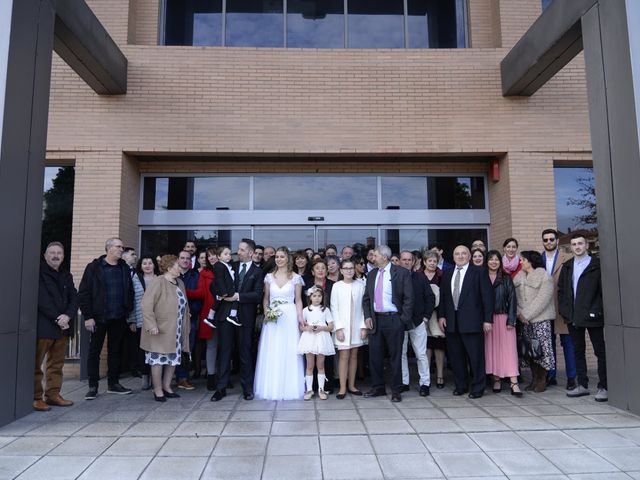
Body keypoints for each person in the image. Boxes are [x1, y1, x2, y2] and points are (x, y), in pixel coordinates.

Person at [79, 237, 134, 400]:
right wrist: (88, 316)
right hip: (98, 317)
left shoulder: (124, 267)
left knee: (115, 351)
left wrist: (128, 310)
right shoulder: (94, 267)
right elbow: (84, 293)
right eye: (118, 246)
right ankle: (93, 386)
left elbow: (129, 290)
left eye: (122, 247)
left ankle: (113, 383)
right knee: (94, 351)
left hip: (118, 316)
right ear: (108, 248)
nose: (121, 249)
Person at [438, 245, 494, 399]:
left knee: (475, 357)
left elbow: (487, 297)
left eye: (464, 253)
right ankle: (461, 385)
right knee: (456, 357)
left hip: (473, 322)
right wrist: (442, 316)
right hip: (452, 322)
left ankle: (478, 387)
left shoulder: (479, 272)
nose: (460, 256)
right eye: (457, 254)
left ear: (469, 256)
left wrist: (487, 320)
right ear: (453, 256)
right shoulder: (447, 273)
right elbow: (443, 297)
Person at [211, 239, 264, 401]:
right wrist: (221, 293)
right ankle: (221, 388)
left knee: (245, 352)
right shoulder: (228, 265)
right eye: (238, 249)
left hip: (245, 317)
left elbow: (257, 295)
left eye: (241, 250)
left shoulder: (258, 271)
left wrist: (238, 296)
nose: (238, 252)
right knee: (225, 352)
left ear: (250, 252)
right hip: (225, 315)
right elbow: (214, 286)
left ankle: (247, 388)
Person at [558, 233, 607, 401]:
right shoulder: (568, 266)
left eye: (580, 244)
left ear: (587, 245)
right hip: (574, 316)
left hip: (593, 316)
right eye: (574, 244)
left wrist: (598, 309)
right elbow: (562, 291)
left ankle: (604, 386)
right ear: (571, 247)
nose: (577, 247)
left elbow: (603, 292)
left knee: (600, 351)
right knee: (578, 351)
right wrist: (566, 311)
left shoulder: (597, 265)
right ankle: (582, 385)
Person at [362, 245, 414, 402]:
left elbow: (409, 299)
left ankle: (396, 390)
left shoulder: (402, 273)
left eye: (375, 255)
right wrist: (368, 316)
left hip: (394, 319)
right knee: (375, 355)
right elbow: (366, 299)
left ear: (384, 257)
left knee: (395, 356)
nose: (372, 258)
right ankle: (378, 388)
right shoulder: (371, 274)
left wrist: (402, 320)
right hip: (376, 320)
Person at [254, 246, 305, 400]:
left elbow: (298, 300)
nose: (279, 259)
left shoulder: (295, 277)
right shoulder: (269, 277)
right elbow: (266, 298)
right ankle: (272, 387)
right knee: (273, 350)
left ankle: (289, 387)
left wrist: (300, 317)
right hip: (273, 318)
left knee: (289, 350)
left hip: (289, 316)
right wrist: (267, 311)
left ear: (288, 259)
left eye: (282, 257)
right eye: (277, 257)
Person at [34, 242, 78, 411]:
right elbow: (42, 299)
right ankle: (36, 397)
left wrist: (68, 315)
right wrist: (57, 318)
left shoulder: (66, 275)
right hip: (45, 326)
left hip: (63, 327)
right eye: (52, 252)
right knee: (36, 365)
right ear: (45, 255)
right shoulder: (39, 273)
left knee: (56, 364)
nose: (55, 256)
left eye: (59, 253)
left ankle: (52, 395)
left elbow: (74, 297)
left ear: (63, 256)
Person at [141, 255, 190, 402]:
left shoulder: (180, 282)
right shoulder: (158, 281)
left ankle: (167, 387)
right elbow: (146, 304)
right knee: (158, 360)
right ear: (169, 268)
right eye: (177, 265)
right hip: (160, 329)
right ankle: (157, 390)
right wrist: (151, 325)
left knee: (173, 359)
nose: (181, 267)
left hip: (176, 328)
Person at [513, 251, 556, 393]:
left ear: (530, 261)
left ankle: (542, 380)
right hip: (524, 321)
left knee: (541, 351)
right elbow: (515, 298)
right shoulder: (518, 277)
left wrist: (527, 314)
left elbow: (543, 299)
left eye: (523, 260)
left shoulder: (544, 276)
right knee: (530, 350)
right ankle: (534, 379)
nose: (521, 262)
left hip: (540, 320)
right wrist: (520, 314)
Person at [540, 228, 576, 390]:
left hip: (563, 308)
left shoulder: (567, 258)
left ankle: (571, 378)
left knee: (568, 344)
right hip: (544, 309)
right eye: (545, 240)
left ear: (557, 241)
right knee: (549, 344)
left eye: (551, 239)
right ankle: (551, 375)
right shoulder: (538, 259)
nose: (548, 242)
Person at [484, 250, 521, 397]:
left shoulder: (506, 277)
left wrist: (511, 320)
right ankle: (496, 379)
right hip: (488, 320)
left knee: (509, 350)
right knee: (492, 350)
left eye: (496, 259)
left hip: (504, 318)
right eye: (491, 259)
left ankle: (514, 382)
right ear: (487, 261)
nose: (494, 262)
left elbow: (513, 299)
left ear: (500, 262)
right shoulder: (482, 277)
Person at [399, 251, 436, 396]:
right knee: (401, 353)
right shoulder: (394, 278)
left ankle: (425, 383)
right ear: (399, 261)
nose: (407, 262)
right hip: (400, 322)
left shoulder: (420, 278)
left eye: (409, 260)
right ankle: (404, 382)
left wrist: (426, 317)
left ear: (413, 262)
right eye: (404, 259)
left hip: (418, 321)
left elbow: (430, 298)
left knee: (421, 354)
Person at [331, 259, 367, 399]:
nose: (349, 270)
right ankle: (342, 387)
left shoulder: (360, 285)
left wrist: (363, 326)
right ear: (341, 270)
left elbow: (365, 308)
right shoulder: (337, 286)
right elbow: (334, 308)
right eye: (346, 268)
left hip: (357, 326)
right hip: (343, 327)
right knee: (343, 356)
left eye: (351, 268)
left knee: (354, 355)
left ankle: (352, 385)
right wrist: (338, 328)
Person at [186, 247, 217, 390]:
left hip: (226, 313)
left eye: (213, 255)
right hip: (209, 313)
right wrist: (182, 289)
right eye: (208, 256)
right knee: (211, 346)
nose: (210, 258)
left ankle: (224, 376)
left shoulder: (230, 270)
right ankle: (211, 376)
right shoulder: (204, 274)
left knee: (226, 346)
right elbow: (200, 293)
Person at [127, 254, 158, 391]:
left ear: (154, 265)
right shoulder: (135, 279)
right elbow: (132, 300)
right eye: (144, 263)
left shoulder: (160, 279)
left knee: (157, 349)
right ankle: (145, 377)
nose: (147, 265)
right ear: (140, 266)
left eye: (150, 263)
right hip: (141, 319)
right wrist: (131, 320)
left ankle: (156, 377)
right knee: (143, 349)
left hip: (158, 320)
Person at [298, 286, 335, 400]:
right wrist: (307, 327)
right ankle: (309, 389)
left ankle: (321, 389)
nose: (317, 298)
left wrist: (321, 328)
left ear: (322, 297)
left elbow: (331, 326)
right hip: (309, 339)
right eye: (314, 296)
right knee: (310, 365)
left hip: (321, 339)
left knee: (320, 365)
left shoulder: (325, 310)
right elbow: (301, 326)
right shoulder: (305, 310)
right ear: (310, 297)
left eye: (319, 296)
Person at [305, 259, 336, 393]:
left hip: (327, 321)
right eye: (317, 268)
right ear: (312, 271)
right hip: (311, 325)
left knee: (325, 357)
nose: (321, 270)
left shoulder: (333, 285)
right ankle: (310, 387)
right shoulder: (307, 285)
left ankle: (325, 387)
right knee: (311, 359)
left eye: (323, 268)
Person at [175, 250, 200, 390]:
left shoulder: (195, 276)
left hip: (191, 318)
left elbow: (199, 297)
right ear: (178, 259)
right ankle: (170, 378)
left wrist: (191, 311)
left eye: (187, 258)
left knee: (187, 349)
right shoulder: (172, 276)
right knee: (173, 349)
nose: (185, 260)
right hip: (173, 318)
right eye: (182, 258)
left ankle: (183, 378)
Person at [423, 250, 446, 389]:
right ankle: (425, 377)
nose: (432, 263)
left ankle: (440, 375)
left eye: (434, 261)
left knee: (438, 345)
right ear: (424, 262)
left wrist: (443, 315)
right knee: (426, 346)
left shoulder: (442, 275)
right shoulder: (418, 275)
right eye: (429, 261)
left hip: (437, 314)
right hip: (423, 315)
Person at [121, 247, 140, 378]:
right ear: (124, 256)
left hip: (134, 313)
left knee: (134, 343)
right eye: (132, 254)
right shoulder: (121, 271)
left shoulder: (136, 272)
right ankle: (120, 369)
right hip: (121, 312)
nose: (135, 256)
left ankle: (134, 368)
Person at [211, 246, 241, 327]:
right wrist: (223, 292)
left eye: (229, 254)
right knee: (237, 297)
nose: (228, 256)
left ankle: (210, 317)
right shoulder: (219, 265)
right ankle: (232, 315)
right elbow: (219, 280)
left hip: (227, 289)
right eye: (225, 254)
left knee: (217, 302)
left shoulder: (228, 265)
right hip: (225, 290)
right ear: (219, 256)